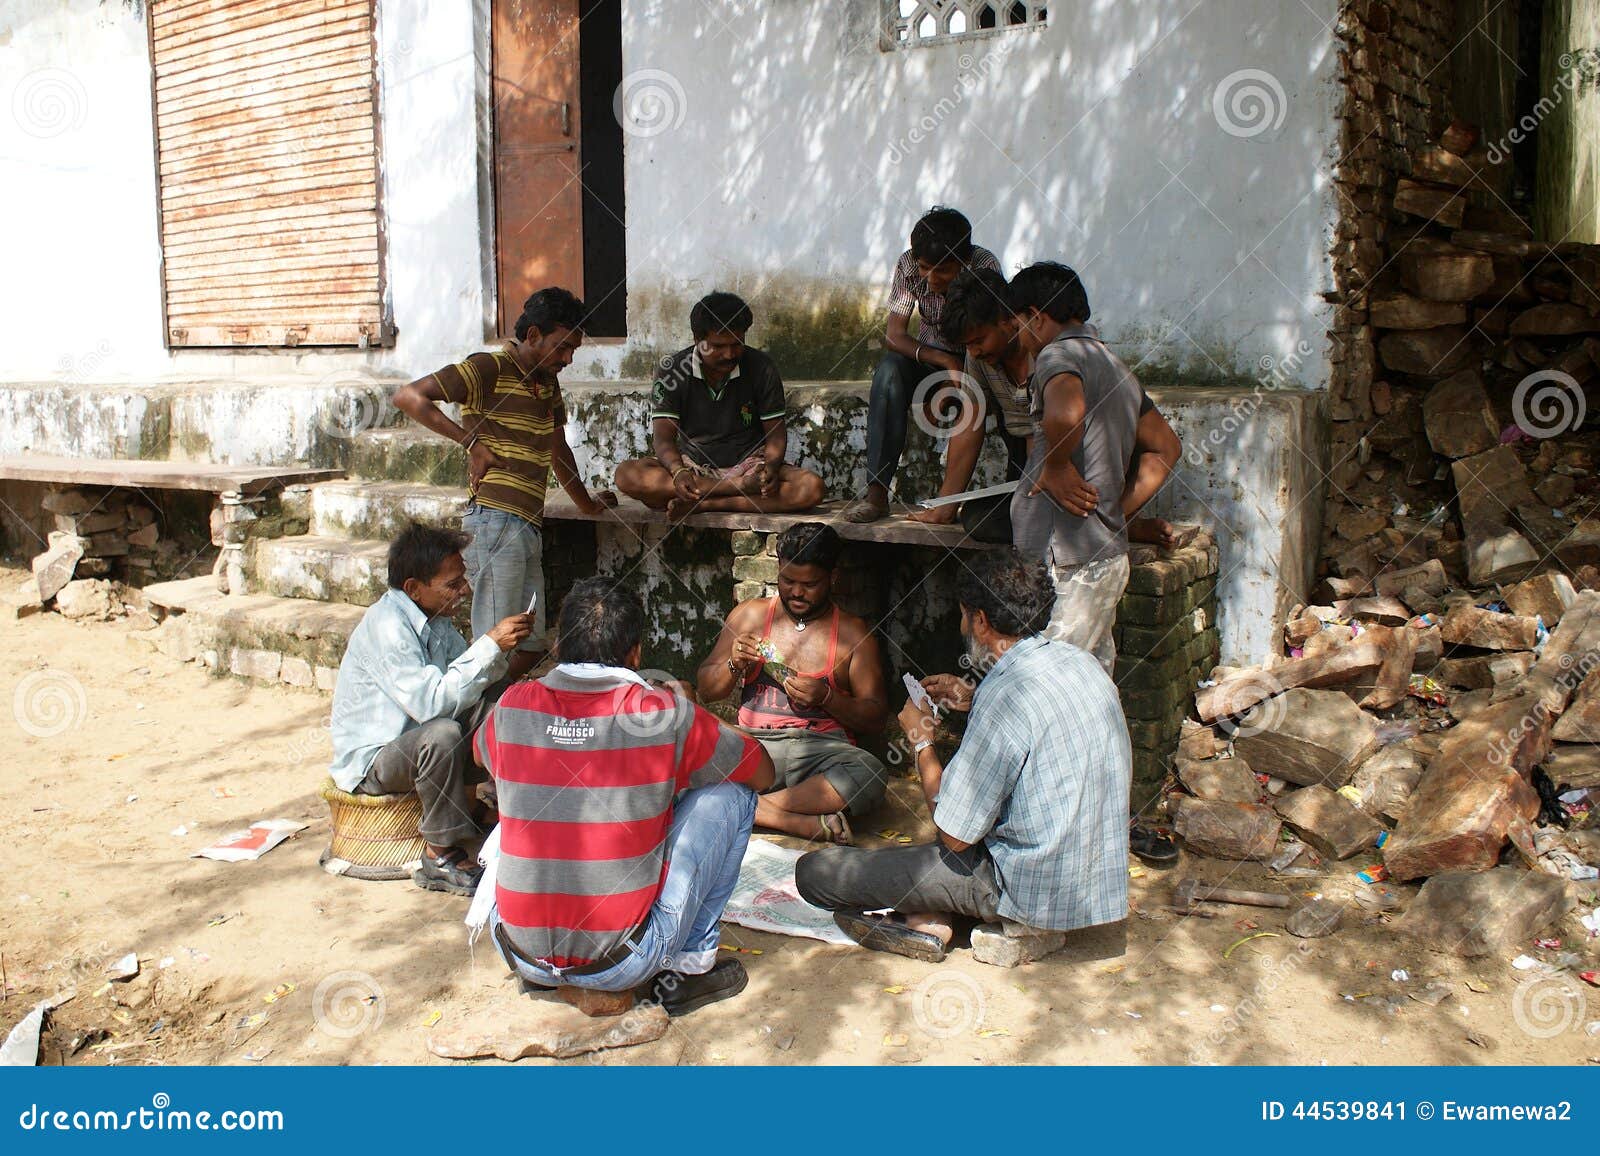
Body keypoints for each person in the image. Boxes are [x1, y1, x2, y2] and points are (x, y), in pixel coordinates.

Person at [795, 550, 1131, 962]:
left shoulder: (1005, 695)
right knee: (925, 863)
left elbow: (954, 836)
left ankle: (937, 916)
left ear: (981, 621)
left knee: (816, 873)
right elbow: (1039, 727)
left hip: (1026, 888)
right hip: (1096, 883)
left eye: (964, 614)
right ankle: (931, 919)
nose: (963, 624)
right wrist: (975, 699)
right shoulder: (1083, 664)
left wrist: (920, 742)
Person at [480, 577, 775, 1016]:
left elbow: (488, 759)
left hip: (517, 948)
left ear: (559, 646)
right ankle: (688, 970)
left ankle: (546, 968)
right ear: (636, 653)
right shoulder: (661, 713)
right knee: (733, 795)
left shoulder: (510, 705)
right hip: (620, 964)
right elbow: (762, 771)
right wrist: (687, 714)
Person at [393, 287, 617, 681]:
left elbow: (557, 448)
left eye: (573, 350)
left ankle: (493, 712)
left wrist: (586, 503)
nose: (567, 359)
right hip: (496, 522)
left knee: (530, 643)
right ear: (532, 336)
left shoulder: (546, 382)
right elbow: (409, 396)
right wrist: (472, 443)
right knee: (494, 642)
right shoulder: (488, 368)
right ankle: (480, 728)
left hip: (527, 526)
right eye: (562, 347)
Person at [328, 524, 531, 895]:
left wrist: (499, 648)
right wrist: (487, 646)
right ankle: (438, 854)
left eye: (463, 579)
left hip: (413, 739)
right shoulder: (388, 625)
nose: (464, 590)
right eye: (452, 585)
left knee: (496, 702)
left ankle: (471, 808)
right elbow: (429, 704)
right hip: (375, 760)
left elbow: (471, 682)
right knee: (442, 733)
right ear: (413, 588)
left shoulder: (435, 621)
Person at [1007, 262, 1181, 673]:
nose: (1017, 334)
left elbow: (1068, 413)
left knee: (1044, 685)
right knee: (1090, 689)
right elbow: (1166, 449)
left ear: (1035, 316)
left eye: (1017, 322)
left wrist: (1057, 466)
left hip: (1067, 565)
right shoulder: (1116, 368)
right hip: (1099, 560)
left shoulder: (1057, 353)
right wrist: (1115, 513)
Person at [697, 523, 889, 844]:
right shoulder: (750, 615)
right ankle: (789, 819)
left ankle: (750, 810)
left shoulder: (854, 634)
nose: (796, 592)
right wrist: (733, 663)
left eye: (809, 584)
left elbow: (876, 717)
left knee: (868, 773)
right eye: (787, 580)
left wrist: (827, 697)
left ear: (833, 578)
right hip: (754, 746)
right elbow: (706, 689)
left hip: (820, 754)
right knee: (684, 748)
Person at [842, 207, 1002, 523]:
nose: (930, 279)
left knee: (973, 396)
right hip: (932, 357)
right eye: (925, 269)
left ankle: (948, 503)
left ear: (963, 263)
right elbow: (895, 335)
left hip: (979, 360)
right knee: (888, 371)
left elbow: (989, 334)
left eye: (942, 271)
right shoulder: (907, 265)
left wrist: (955, 375)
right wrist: (944, 361)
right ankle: (876, 495)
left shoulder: (985, 267)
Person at [614, 292, 825, 519]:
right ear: (697, 339)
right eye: (718, 346)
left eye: (737, 344)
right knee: (626, 475)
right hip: (693, 468)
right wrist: (678, 472)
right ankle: (735, 491)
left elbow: (775, 432)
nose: (729, 354)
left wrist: (771, 467)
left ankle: (706, 504)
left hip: (750, 467)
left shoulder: (762, 367)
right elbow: (663, 439)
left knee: (812, 488)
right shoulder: (673, 371)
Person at [908, 267, 1035, 527]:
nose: (974, 352)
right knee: (978, 518)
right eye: (967, 345)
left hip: (1062, 459)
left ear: (1007, 319)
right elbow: (969, 424)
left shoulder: (1047, 353)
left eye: (979, 340)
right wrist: (945, 505)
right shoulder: (978, 359)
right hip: (1024, 459)